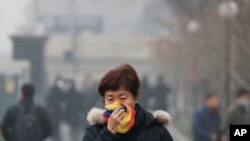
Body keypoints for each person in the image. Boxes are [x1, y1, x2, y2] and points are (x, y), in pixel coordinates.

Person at [82, 63, 173, 141]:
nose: (117, 105)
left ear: (136, 96)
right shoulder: (94, 132)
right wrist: (108, 134)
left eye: (123, 98)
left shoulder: (157, 132)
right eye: (110, 99)